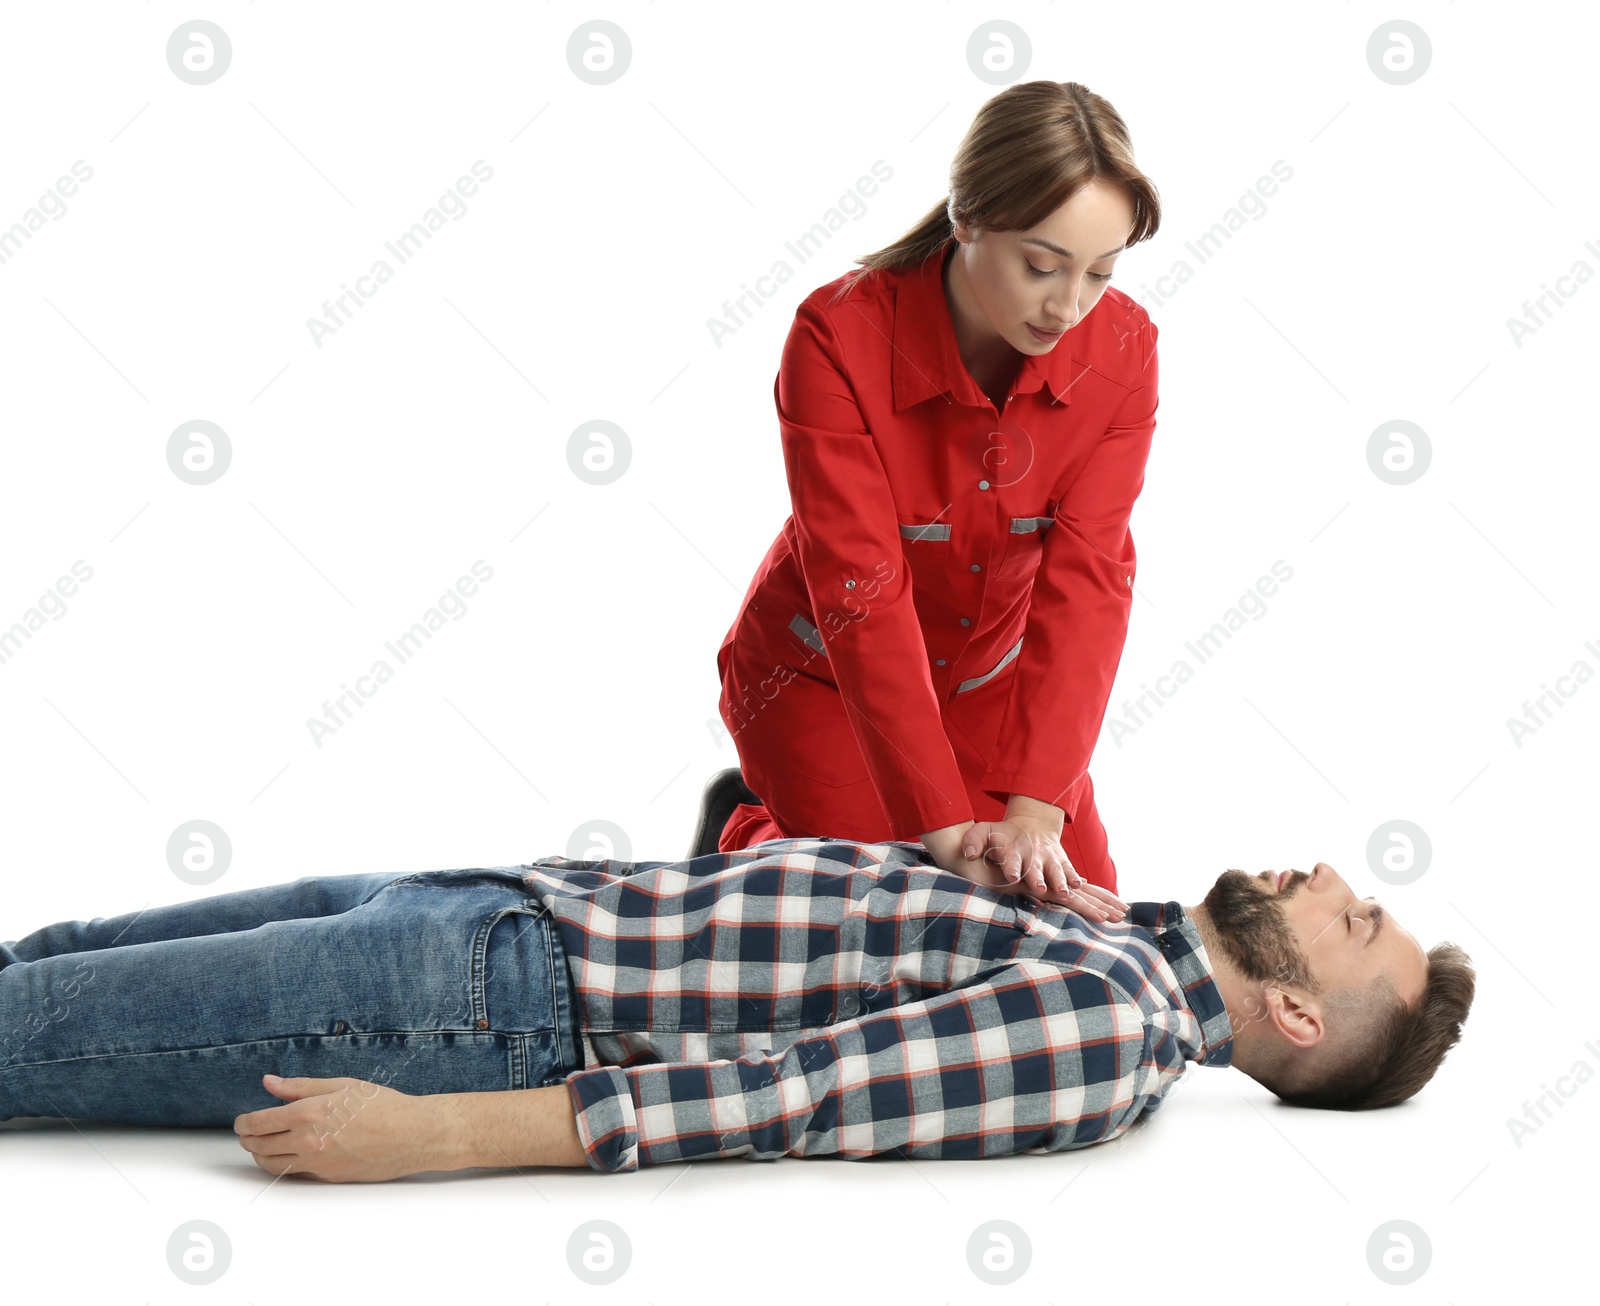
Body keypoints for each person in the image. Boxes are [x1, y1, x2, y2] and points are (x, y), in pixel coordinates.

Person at [0, 836, 1474, 1182]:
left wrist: (438, 1135)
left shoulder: (1111, 1032)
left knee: (27, 1032)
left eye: (1353, 923)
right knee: (43, 959)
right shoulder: (1107, 929)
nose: (1331, 876)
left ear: (1292, 1017)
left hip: (470, 1004)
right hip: (486, 906)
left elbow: (799, 1089)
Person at [716, 79, 1165, 900]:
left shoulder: (1125, 349)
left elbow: (1090, 583)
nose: (1069, 306)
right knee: (912, 908)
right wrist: (941, 831)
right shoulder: (836, 334)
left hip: (992, 697)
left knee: (1082, 920)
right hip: (823, 684)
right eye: (1041, 266)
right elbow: (863, 591)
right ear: (968, 220)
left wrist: (1035, 810)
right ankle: (756, 838)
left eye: (1100, 273)